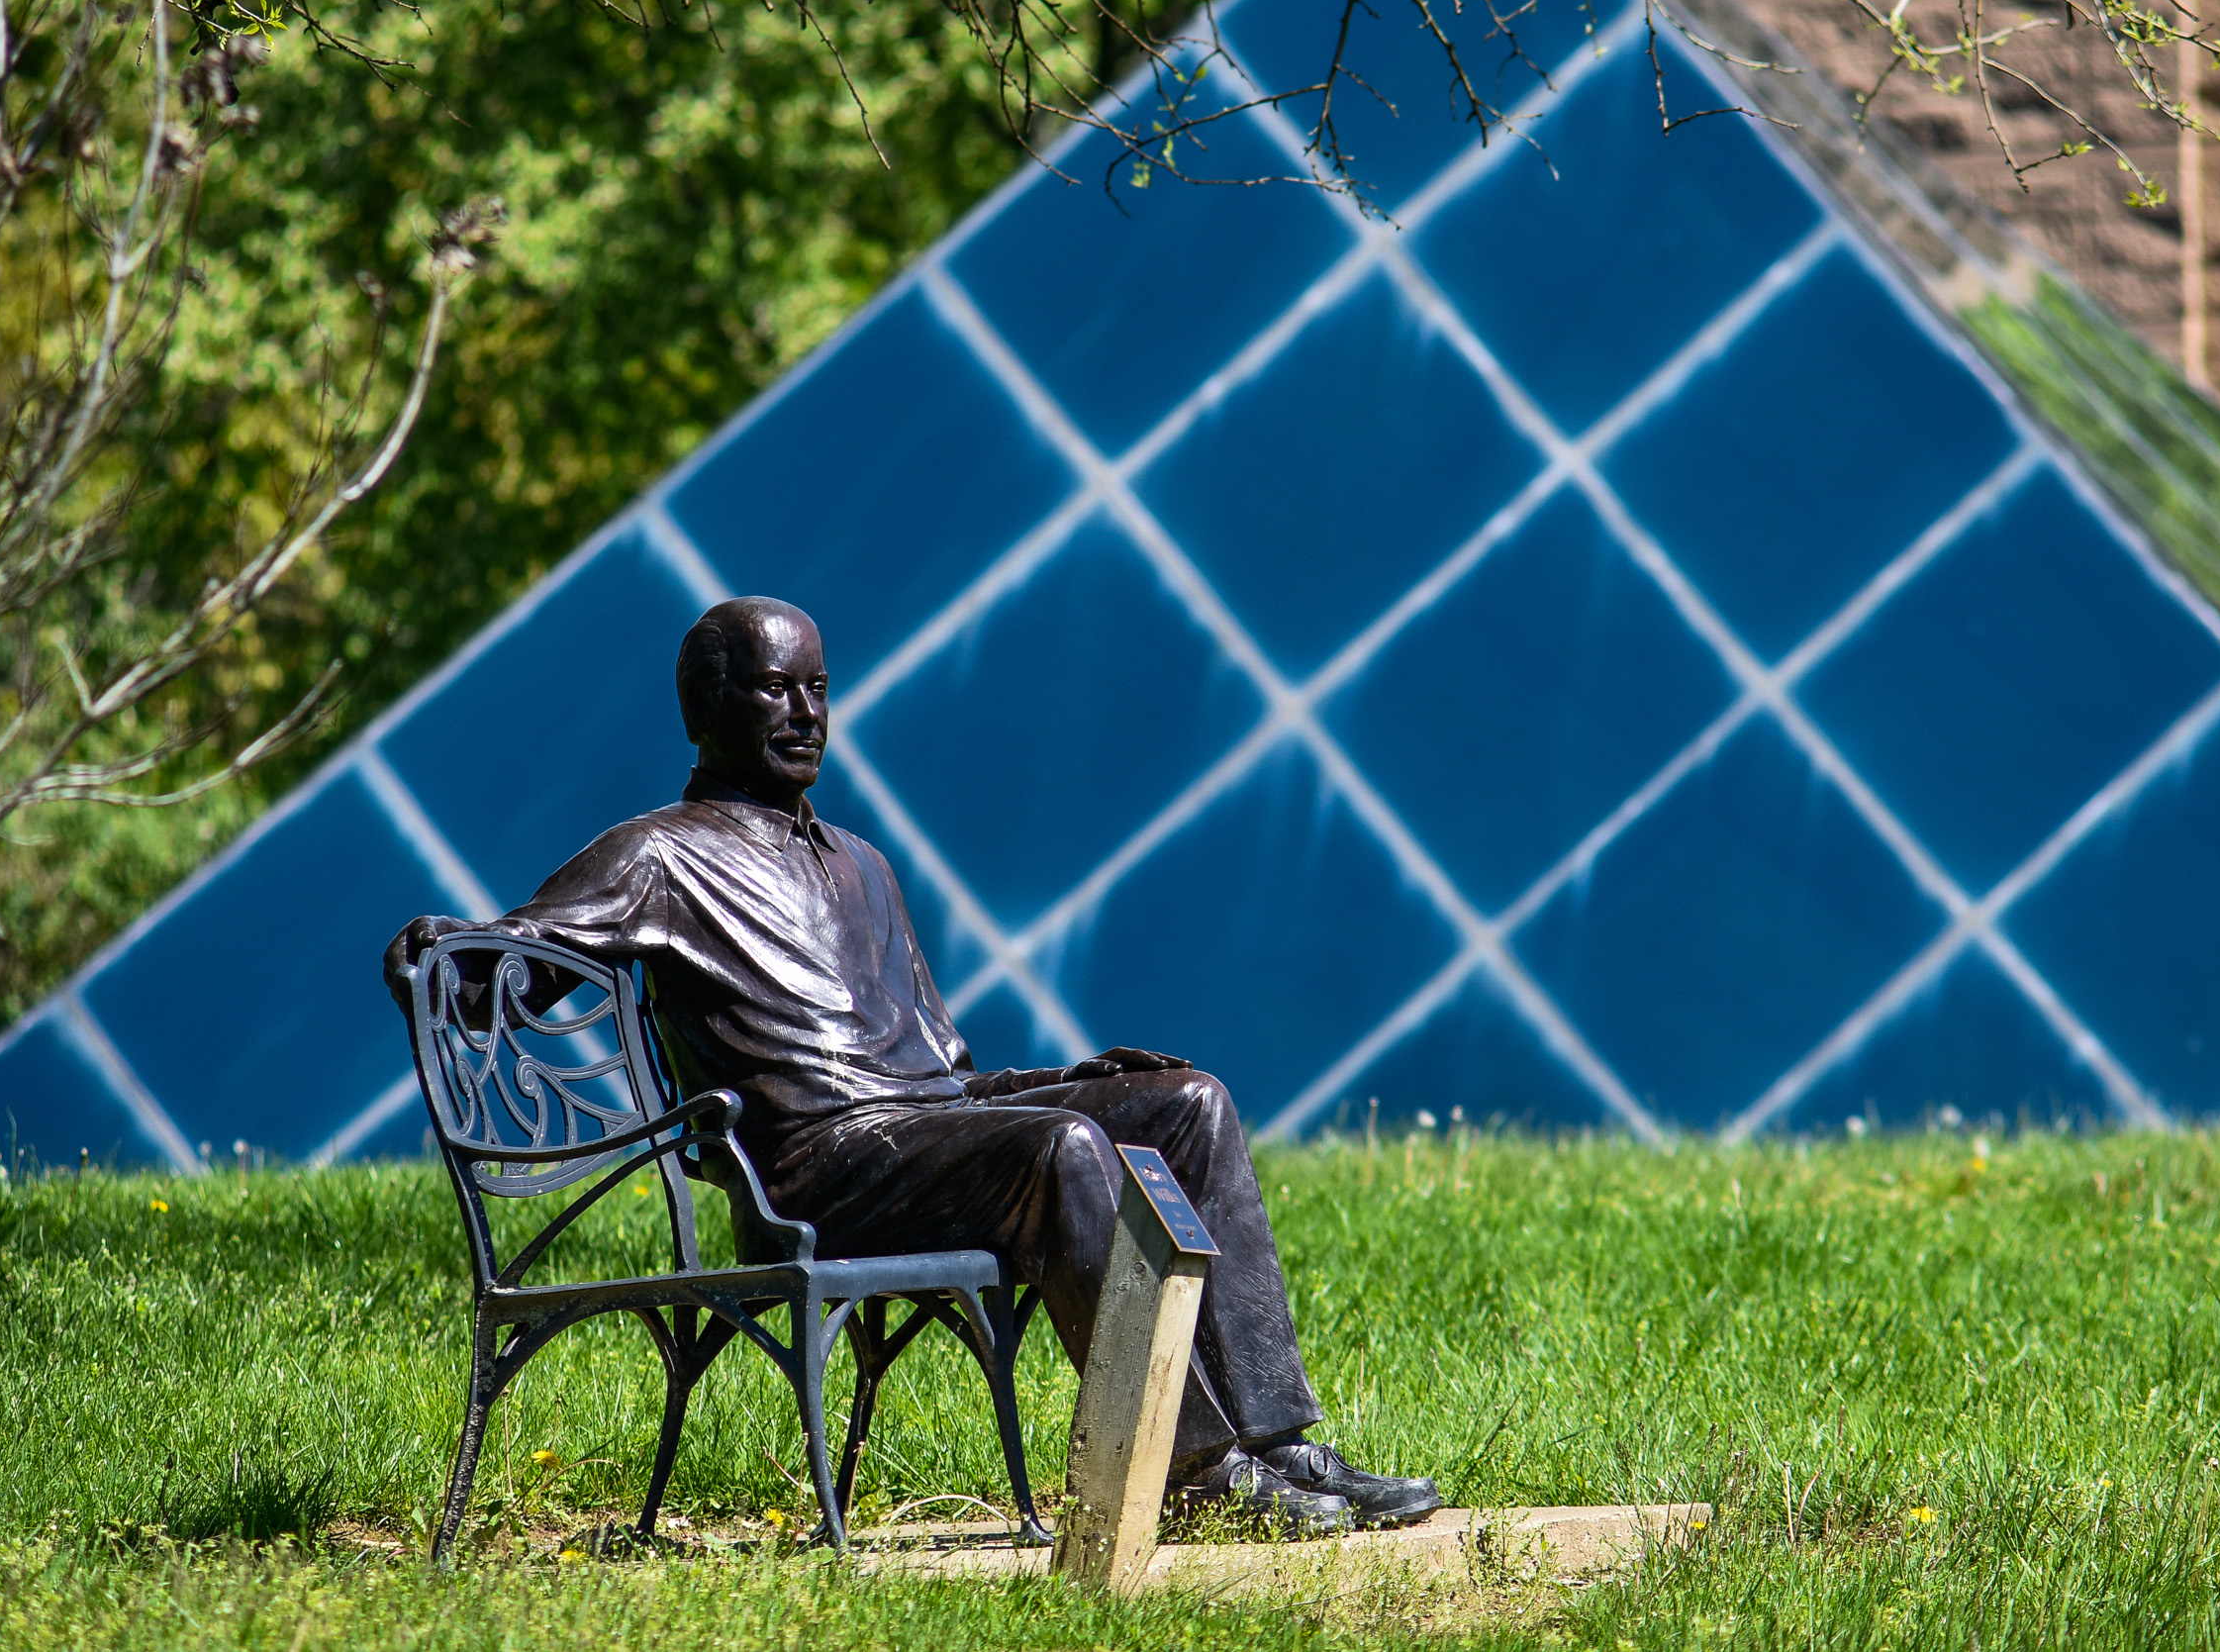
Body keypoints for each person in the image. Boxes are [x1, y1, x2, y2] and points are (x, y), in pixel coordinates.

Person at [384, 595, 1440, 1533]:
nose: (804, 714)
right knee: (1062, 1148)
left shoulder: (866, 867)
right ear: (708, 709)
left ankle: (1279, 1439)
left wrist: (1076, 1080)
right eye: (773, 691)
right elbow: (501, 977)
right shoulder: (658, 855)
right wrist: (438, 952)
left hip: (921, 1138)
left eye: (818, 690)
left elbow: (946, 1079)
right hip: (813, 1170)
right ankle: (1196, 1467)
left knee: (1186, 1103)